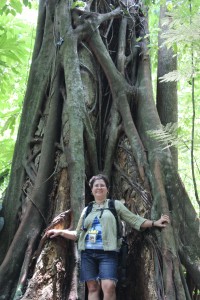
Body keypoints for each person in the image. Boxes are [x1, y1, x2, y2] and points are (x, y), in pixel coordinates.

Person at [46, 174, 170, 300]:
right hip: (88, 254)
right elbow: (78, 234)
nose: (99, 188)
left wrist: (154, 223)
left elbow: (134, 220)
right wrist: (60, 232)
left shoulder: (114, 205)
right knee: (93, 287)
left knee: (109, 286)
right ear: (92, 189)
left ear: (107, 189)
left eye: (102, 185)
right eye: (96, 185)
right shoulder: (87, 210)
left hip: (108, 254)